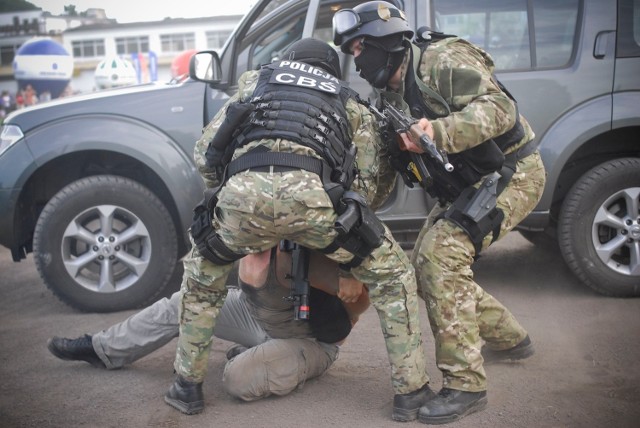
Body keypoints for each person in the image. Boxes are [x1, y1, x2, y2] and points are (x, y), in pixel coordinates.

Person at [166, 38, 433, 420]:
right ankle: (411, 393)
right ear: (332, 71)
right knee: (393, 278)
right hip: (316, 203)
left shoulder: (255, 83)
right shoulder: (347, 99)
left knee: (201, 280)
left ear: (286, 62)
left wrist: (235, 193)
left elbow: (207, 154)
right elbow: (372, 185)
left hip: (245, 200)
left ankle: (186, 387)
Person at [333, 1, 546, 425]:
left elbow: (500, 109)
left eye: (360, 48)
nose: (356, 60)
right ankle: (511, 339)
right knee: (421, 271)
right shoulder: (385, 97)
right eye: (351, 52)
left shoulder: (440, 60)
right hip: (466, 187)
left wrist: (440, 131)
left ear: (386, 42)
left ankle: (466, 384)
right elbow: (386, 175)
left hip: (511, 171)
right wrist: (352, 210)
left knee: (440, 258)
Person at [47, 244, 370, 402]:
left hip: (306, 339)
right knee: (182, 303)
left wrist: (339, 332)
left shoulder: (303, 253)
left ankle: (273, 361)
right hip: (252, 314)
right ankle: (102, 349)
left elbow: (358, 298)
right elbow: (200, 282)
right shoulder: (235, 234)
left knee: (239, 379)